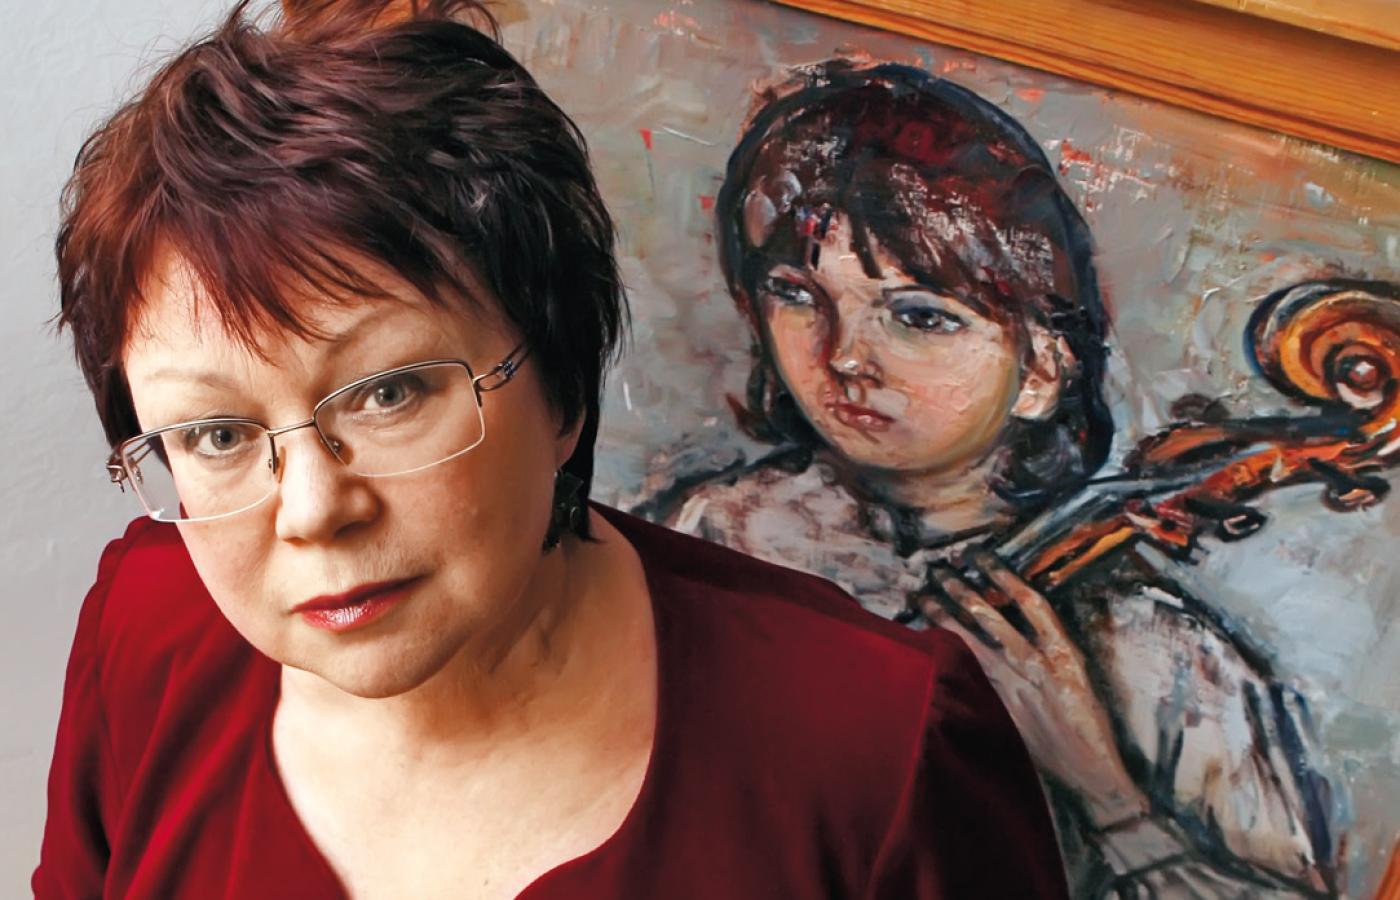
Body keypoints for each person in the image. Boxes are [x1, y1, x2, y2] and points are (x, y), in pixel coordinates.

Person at [33, 2, 1070, 897]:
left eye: (389, 393)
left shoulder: (879, 753)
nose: (312, 510)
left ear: (561, 384)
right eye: (216, 434)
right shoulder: (146, 629)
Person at [635, 61, 1339, 897]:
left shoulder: (1155, 654)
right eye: (797, 294)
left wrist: (1104, 791)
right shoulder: (721, 531)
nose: (846, 355)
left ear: (1041, 367)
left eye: (919, 316)